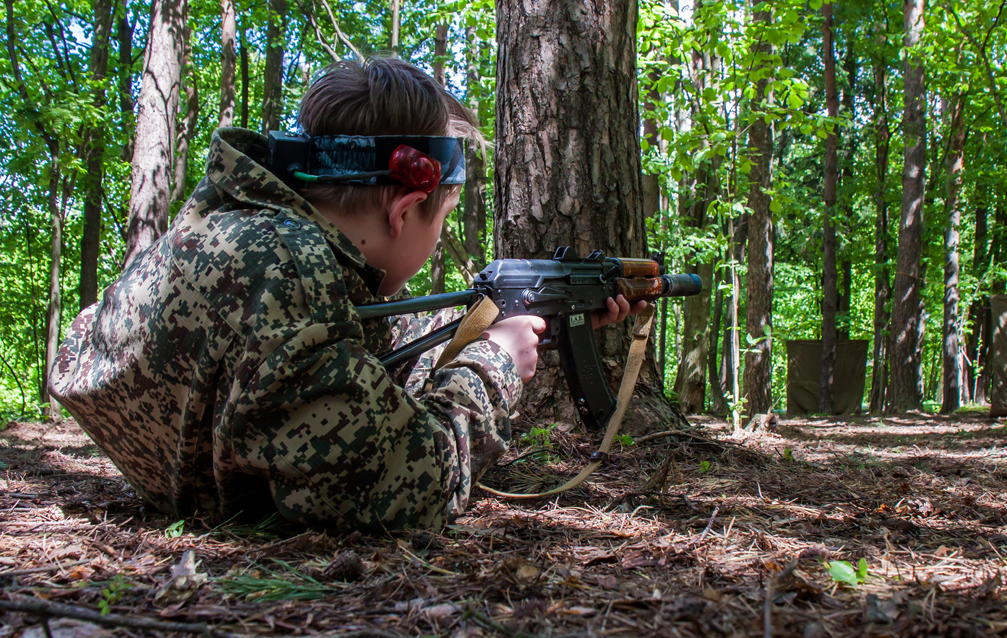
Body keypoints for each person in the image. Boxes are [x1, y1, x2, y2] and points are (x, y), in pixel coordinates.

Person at [49, 57, 639, 531]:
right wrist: (494, 365)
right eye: (442, 221)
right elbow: (413, 482)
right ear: (405, 209)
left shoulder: (233, 220)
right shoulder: (293, 270)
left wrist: (519, 328)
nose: (438, 239)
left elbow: (351, 353)